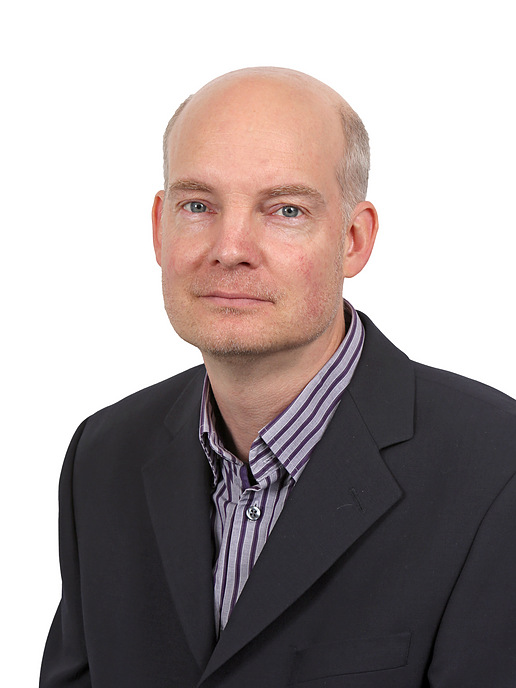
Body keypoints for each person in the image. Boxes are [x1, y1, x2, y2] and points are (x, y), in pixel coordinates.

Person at [40, 67, 516, 688]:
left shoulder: (496, 470)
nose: (230, 247)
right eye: (197, 205)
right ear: (159, 227)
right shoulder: (102, 457)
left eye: (285, 210)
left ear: (353, 240)